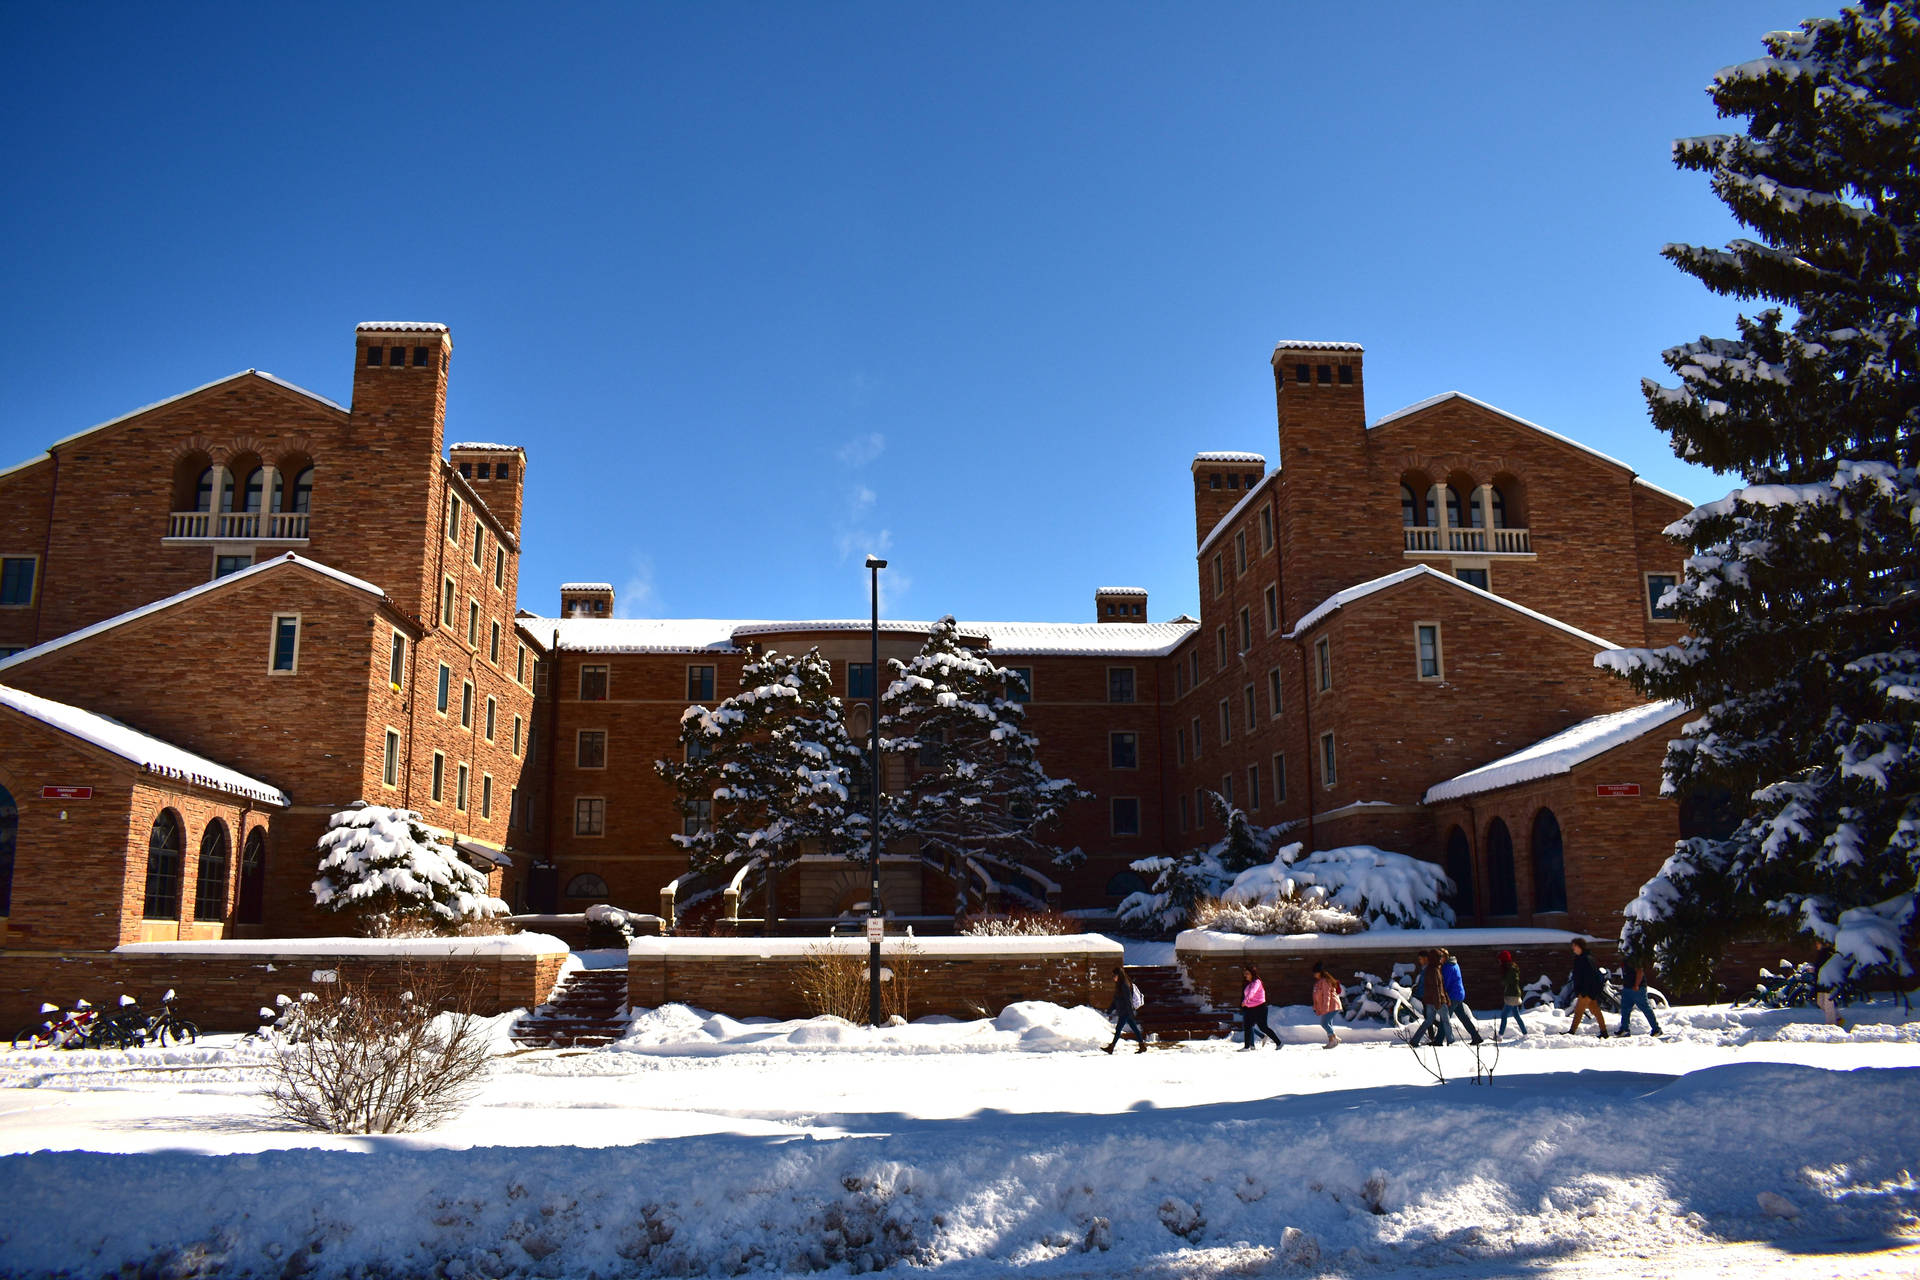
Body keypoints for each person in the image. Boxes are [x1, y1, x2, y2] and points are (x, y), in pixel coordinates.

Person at [1438, 948, 1485, 1046]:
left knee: (1445, 1019)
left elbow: (1446, 983)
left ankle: (1438, 1041)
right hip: (1458, 994)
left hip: (1452, 996)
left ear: (1445, 957)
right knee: (1463, 1018)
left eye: (1440, 957)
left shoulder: (1448, 967)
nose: (1439, 959)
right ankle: (1476, 1037)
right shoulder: (1454, 964)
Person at [1566, 938, 1609, 1038]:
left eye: (1574, 946)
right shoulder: (1581, 958)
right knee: (1596, 1011)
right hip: (1587, 990)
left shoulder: (1586, 959)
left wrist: (1584, 991)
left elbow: (1589, 977)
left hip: (1587, 991)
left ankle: (1572, 1032)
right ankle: (1604, 1032)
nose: (1573, 948)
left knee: (1578, 1011)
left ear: (1580, 946)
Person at [1413, 950, 1453, 1048]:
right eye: (1439, 957)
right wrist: (1439, 1002)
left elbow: (1441, 986)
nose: (1440, 959)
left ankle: (1415, 1040)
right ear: (1435, 958)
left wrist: (1446, 997)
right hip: (1437, 1000)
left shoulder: (1433, 969)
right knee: (1446, 1020)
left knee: (1428, 1021)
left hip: (1431, 1000)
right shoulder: (1434, 970)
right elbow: (1436, 987)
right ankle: (1451, 1040)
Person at [1617, 952, 1663, 1036]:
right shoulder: (1625, 958)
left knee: (1645, 1008)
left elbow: (1640, 971)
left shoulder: (1634, 957)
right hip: (1627, 987)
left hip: (1637, 988)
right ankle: (1624, 1029)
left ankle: (1656, 1029)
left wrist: (1637, 985)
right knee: (1625, 1009)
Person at [1104, 965, 1147, 1054]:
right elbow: (1115, 1000)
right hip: (1124, 1011)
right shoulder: (1119, 985)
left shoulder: (1124, 985)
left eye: (1114, 976)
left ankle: (1111, 1047)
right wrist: (1109, 1009)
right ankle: (1142, 1046)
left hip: (1126, 1012)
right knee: (1134, 1028)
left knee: (1118, 1028)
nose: (1113, 978)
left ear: (1119, 976)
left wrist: (1130, 1012)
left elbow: (1128, 1000)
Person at [1239, 965, 1283, 1050]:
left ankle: (1279, 1043)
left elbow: (1252, 992)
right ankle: (1246, 1047)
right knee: (1247, 1026)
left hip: (1260, 1008)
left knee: (1263, 1027)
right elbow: (1247, 994)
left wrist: (1245, 1001)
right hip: (1250, 1009)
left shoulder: (1257, 982)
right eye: (1245, 973)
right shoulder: (1249, 984)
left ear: (1252, 974)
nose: (1245, 975)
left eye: (1247, 973)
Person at [1812, 940, 1845, 1029]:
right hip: (1820, 982)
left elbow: (1826, 967)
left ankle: (1832, 1025)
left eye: (1817, 943)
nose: (1816, 945)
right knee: (1820, 1002)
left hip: (1828, 983)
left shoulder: (1827, 953)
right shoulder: (1821, 953)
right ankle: (1837, 1018)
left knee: (1828, 1003)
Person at [1495, 950, 1528, 1039]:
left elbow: (1509, 981)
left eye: (1500, 960)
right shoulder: (1511, 968)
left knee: (1504, 1015)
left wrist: (1505, 981)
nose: (1499, 962)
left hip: (1512, 995)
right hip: (1513, 994)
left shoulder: (1510, 969)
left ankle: (1500, 1036)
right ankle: (1525, 1034)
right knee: (1516, 1016)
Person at [1311, 961, 1343, 1047]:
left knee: (1324, 1023)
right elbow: (1316, 997)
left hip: (1332, 1006)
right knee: (1328, 1023)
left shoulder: (1325, 981)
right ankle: (1332, 1040)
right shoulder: (1319, 982)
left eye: (1315, 973)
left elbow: (1327, 995)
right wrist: (1315, 1007)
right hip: (1330, 1006)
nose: (1314, 975)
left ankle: (1334, 1039)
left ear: (1319, 973)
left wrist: (1325, 1008)